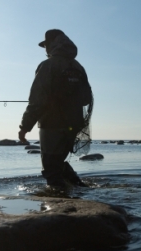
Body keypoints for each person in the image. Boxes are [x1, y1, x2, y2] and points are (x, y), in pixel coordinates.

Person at [18, 29, 93, 189]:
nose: (45, 49)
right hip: (74, 124)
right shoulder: (78, 67)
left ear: (53, 44)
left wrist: (25, 127)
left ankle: (60, 202)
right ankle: (81, 189)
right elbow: (86, 98)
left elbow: (37, 100)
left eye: (46, 45)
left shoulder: (48, 66)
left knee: (51, 167)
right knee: (58, 161)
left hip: (52, 125)